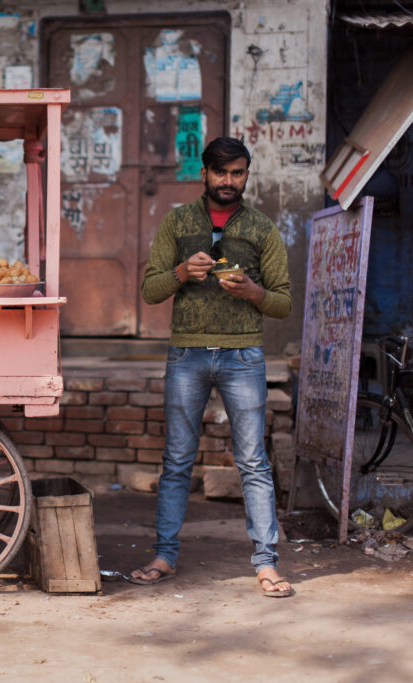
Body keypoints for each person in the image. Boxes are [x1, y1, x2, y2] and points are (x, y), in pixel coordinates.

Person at [128, 137, 294, 598]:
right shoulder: (178, 221)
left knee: (253, 463)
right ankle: (164, 555)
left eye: (237, 173)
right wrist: (182, 272)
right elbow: (150, 291)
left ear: (246, 175)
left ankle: (266, 564)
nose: (228, 181)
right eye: (220, 173)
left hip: (243, 356)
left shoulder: (262, 228)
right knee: (178, 460)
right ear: (204, 173)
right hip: (187, 355)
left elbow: (282, 302)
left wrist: (253, 292)